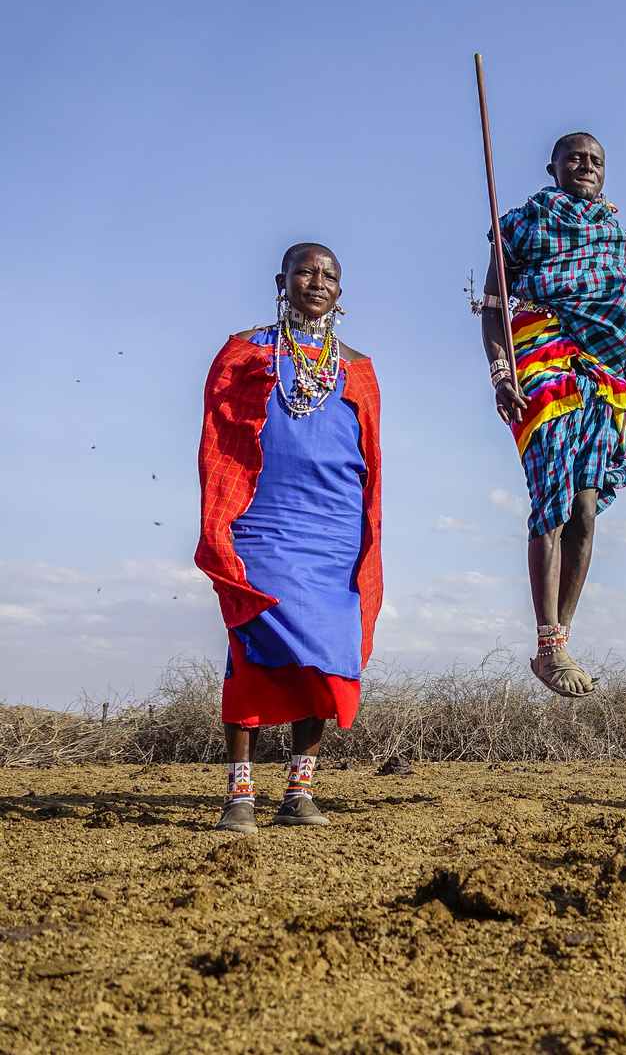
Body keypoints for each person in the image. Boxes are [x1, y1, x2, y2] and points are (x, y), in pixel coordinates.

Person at [196, 243, 381, 834]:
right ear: (283, 280)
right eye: (306, 271)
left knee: (327, 651)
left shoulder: (357, 366)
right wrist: (220, 519)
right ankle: (240, 796)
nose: (317, 281)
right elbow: (218, 441)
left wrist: (362, 535)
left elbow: (370, 459)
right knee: (254, 641)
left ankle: (300, 790)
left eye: (329, 275)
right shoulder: (244, 353)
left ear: (341, 290)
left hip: (333, 527)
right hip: (262, 520)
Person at [478, 132, 626, 698]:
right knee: (552, 491)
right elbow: (494, 307)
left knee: (586, 505)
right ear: (552, 166)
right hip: (541, 352)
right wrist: (502, 374)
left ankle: (562, 638)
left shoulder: (617, 233)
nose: (587, 166)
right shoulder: (522, 224)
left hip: (601, 373)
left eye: (597, 160)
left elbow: (623, 298)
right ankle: (547, 646)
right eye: (575, 158)